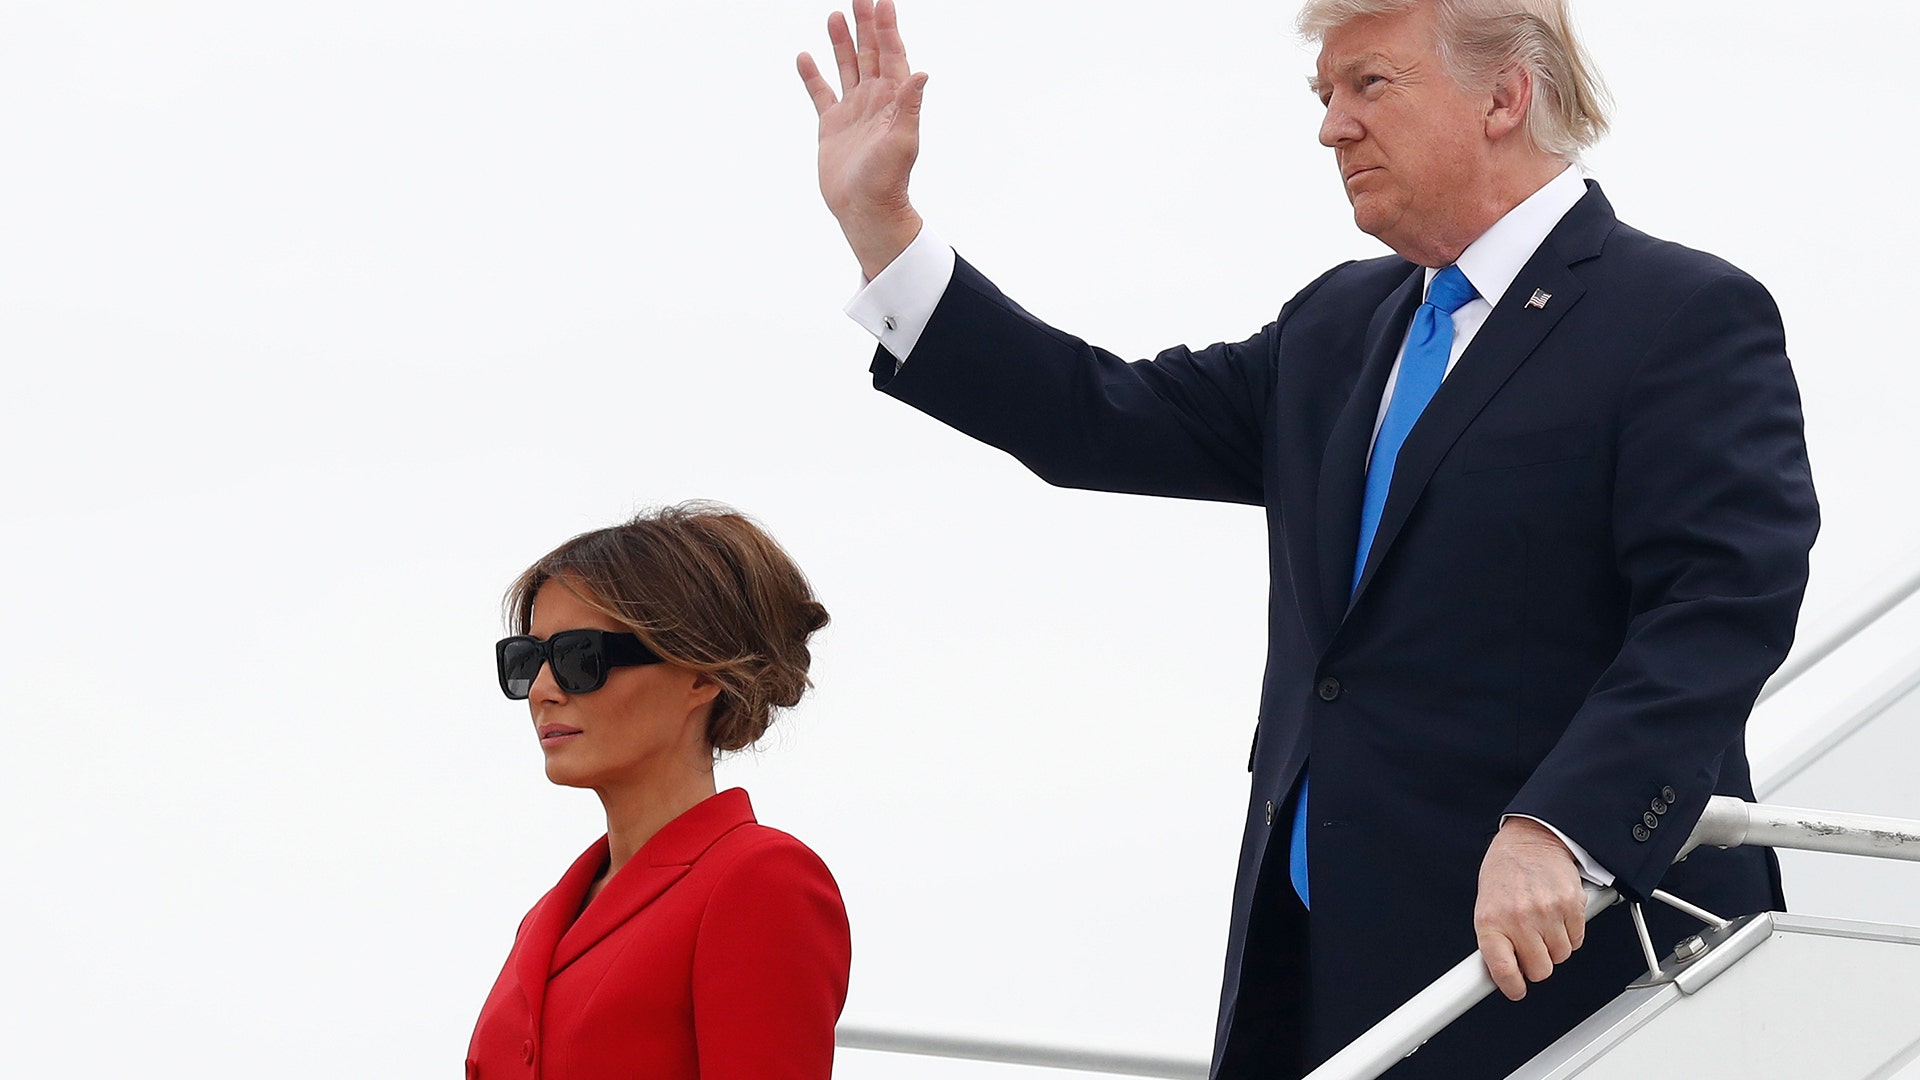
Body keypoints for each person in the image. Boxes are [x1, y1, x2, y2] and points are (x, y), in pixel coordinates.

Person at [796, 1, 1817, 1077]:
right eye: (1323, 95)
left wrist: (1565, 828)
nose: (1332, 126)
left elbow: (1721, 608)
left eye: (1369, 85)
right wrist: (885, 228)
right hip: (1318, 973)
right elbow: (1096, 418)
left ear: (1506, 97)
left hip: (1571, 964)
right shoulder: (1340, 327)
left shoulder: (1681, 315)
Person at [466, 503, 852, 1080]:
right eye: (527, 660)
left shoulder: (762, 881)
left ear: (701, 673)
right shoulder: (548, 916)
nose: (542, 690)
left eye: (580, 658)